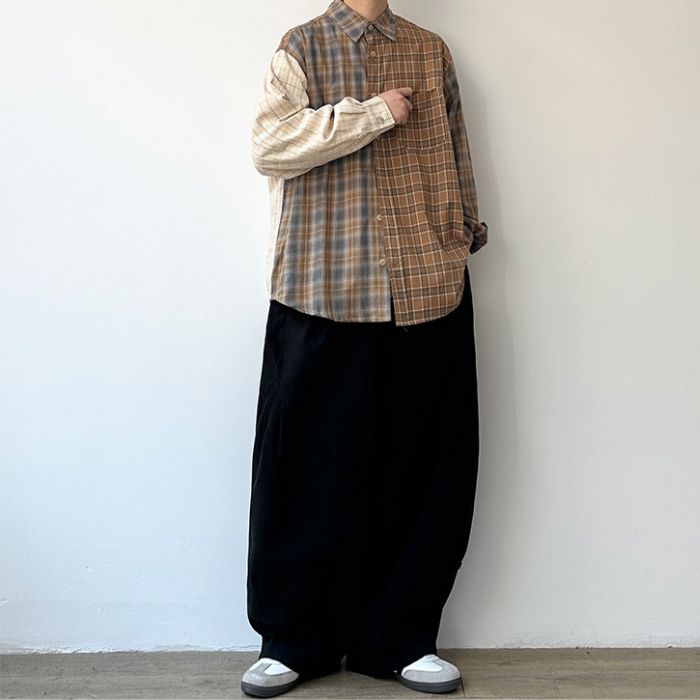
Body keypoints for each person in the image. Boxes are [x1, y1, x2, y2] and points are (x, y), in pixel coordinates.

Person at [242, 0, 488, 695]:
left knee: (423, 469)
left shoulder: (430, 50)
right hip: (321, 285)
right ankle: (293, 640)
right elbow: (268, 145)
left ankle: (401, 639)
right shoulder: (302, 46)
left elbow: (456, 148)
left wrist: (461, 234)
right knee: (305, 468)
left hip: (426, 286)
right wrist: (374, 112)